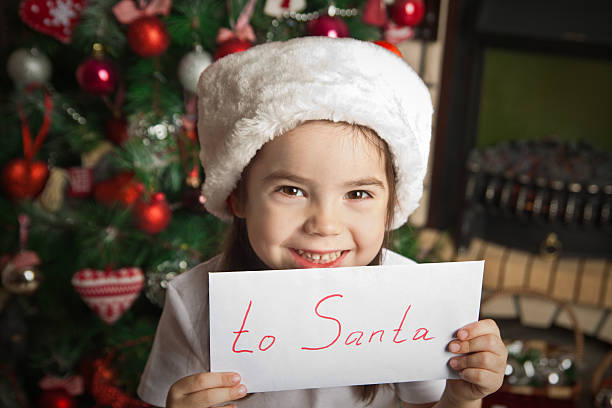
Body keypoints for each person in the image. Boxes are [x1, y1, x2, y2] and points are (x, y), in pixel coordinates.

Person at [137, 36, 507, 408]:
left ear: (391, 207)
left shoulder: (408, 302)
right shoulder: (193, 302)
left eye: (358, 194)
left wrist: (461, 398)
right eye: (291, 190)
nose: (325, 225)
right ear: (238, 197)